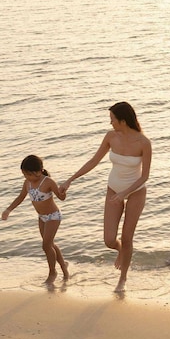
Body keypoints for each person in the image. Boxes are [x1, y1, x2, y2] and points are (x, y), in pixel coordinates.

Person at [60, 101, 151, 292]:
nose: (110, 123)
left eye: (112, 119)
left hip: (135, 192)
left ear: (123, 121)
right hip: (113, 189)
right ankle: (121, 250)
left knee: (127, 237)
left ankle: (122, 279)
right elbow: (93, 161)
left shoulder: (143, 143)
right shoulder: (111, 137)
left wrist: (125, 193)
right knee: (109, 240)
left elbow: (145, 176)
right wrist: (70, 179)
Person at [1, 154, 70, 284]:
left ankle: (53, 272)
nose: (26, 177)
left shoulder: (48, 182)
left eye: (28, 174)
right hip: (42, 217)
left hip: (53, 216)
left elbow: (61, 198)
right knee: (50, 245)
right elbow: (20, 197)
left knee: (46, 245)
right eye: (24, 175)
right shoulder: (27, 183)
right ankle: (64, 266)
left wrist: (63, 191)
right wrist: (8, 210)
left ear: (38, 171)